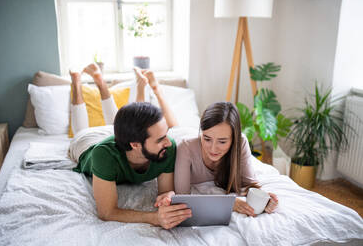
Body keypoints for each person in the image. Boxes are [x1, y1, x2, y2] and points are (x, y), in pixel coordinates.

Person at [68, 63, 191, 229]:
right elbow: (107, 213)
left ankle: (100, 82)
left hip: (122, 137)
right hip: (87, 143)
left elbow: (164, 193)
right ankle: (76, 82)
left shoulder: (165, 148)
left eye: (166, 134)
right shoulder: (103, 154)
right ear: (135, 145)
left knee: (120, 123)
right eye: (160, 139)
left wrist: (168, 198)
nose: (168, 143)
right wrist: (154, 218)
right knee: (81, 130)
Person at [174, 102, 279, 217]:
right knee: (175, 126)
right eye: (207, 139)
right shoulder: (185, 148)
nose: (213, 149)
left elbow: (249, 185)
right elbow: (182, 200)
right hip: (181, 134)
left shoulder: (240, 142)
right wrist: (228, 203)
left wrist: (265, 200)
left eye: (222, 141)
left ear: (234, 139)